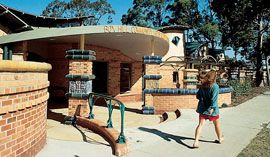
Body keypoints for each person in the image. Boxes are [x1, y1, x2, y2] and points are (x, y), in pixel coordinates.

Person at [193, 70, 224, 148]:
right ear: (214, 77)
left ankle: (196, 142)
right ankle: (220, 139)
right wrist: (212, 108)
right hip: (212, 110)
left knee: (200, 125)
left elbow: (198, 96)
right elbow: (214, 99)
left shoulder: (203, 85)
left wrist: (203, 99)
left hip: (203, 109)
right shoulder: (215, 86)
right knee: (217, 125)